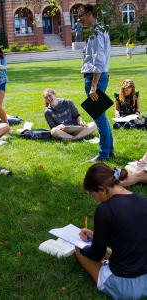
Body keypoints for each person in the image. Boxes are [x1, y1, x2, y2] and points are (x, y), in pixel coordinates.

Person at [75, 163, 147, 300]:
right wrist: (95, 236)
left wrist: (82, 248)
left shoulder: (105, 209)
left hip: (125, 285)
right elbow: (130, 235)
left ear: (102, 189)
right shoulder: (143, 201)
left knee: (78, 252)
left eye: (92, 195)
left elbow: (96, 254)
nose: (94, 199)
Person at [78, 4, 113, 162]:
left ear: (90, 13)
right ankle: (109, 150)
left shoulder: (97, 31)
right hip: (94, 76)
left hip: (95, 78)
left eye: (81, 16)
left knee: (99, 117)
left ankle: (103, 153)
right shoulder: (96, 30)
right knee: (101, 116)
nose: (79, 20)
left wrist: (93, 86)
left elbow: (99, 60)